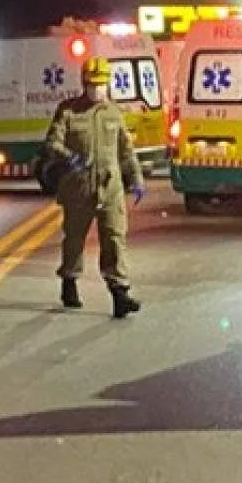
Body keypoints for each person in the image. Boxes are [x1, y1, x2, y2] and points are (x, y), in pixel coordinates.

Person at [41, 55, 144, 317]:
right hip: (78, 189)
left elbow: (126, 151)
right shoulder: (69, 111)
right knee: (74, 239)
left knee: (114, 238)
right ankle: (69, 280)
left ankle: (119, 292)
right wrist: (69, 158)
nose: (97, 89)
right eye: (92, 84)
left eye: (101, 84)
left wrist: (136, 179)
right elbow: (52, 143)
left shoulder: (114, 113)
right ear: (84, 84)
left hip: (110, 188)